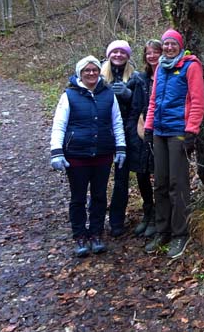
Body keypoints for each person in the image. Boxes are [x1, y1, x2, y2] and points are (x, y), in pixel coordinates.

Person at [50, 55, 126, 257]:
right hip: (77, 155)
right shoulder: (69, 95)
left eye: (94, 70)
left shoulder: (108, 94)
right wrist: (56, 152)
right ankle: (80, 236)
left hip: (103, 154)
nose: (91, 73)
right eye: (87, 71)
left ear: (99, 72)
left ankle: (96, 233)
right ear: (79, 73)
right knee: (78, 197)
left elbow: (116, 123)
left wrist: (121, 147)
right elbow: (59, 125)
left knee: (100, 196)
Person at [144, 29, 204, 259]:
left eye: (173, 44)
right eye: (166, 44)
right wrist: (149, 128)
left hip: (179, 132)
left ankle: (180, 233)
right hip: (159, 131)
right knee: (159, 182)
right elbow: (153, 101)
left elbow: (198, 101)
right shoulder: (160, 67)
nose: (169, 48)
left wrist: (191, 131)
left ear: (180, 45)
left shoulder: (191, 66)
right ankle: (163, 230)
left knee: (177, 183)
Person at [102, 39, 141, 237]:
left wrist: (128, 95)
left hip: (124, 137)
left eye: (122, 52)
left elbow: (140, 107)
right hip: (100, 135)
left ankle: (117, 221)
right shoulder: (96, 75)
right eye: (114, 52)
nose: (118, 55)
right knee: (98, 180)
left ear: (128, 56)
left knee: (121, 180)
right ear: (109, 54)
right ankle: (96, 220)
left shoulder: (134, 77)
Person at [129, 39, 162, 237]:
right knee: (142, 174)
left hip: (161, 132)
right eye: (148, 53)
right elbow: (129, 104)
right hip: (141, 131)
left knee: (159, 175)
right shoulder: (140, 78)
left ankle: (159, 216)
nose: (152, 56)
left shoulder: (167, 75)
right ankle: (147, 213)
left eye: (155, 52)